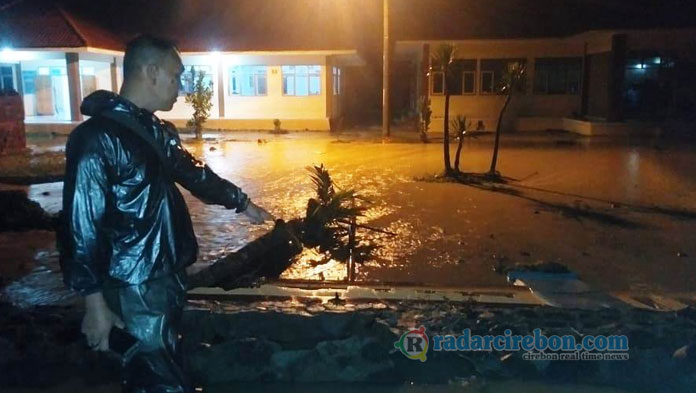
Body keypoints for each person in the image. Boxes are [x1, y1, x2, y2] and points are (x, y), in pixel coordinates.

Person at [59, 35, 273, 393]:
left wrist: (243, 203)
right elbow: (81, 225)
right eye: (176, 77)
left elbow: (193, 173)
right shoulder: (94, 139)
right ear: (151, 72)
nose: (181, 87)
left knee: (160, 365)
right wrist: (94, 304)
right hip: (132, 285)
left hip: (166, 276)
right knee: (159, 377)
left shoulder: (153, 131)